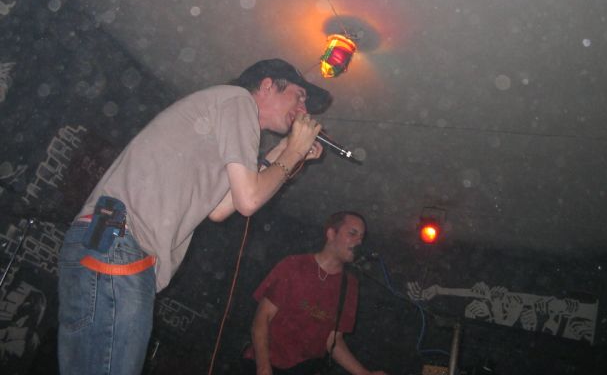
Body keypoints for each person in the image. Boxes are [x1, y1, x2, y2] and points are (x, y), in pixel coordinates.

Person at [57, 58, 332, 375]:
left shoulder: (224, 119)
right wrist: (294, 151)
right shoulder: (239, 101)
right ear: (268, 85)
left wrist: (284, 150)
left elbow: (222, 208)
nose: (303, 108)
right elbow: (249, 200)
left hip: (108, 245)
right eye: (299, 95)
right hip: (121, 244)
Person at [243, 211, 388, 375]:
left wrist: (364, 373)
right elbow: (262, 319)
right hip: (267, 363)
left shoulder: (349, 286)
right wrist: (263, 367)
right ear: (331, 234)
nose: (359, 242)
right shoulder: (294, 265)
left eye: (361, 237)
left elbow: (333, 340)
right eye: (352, 233)